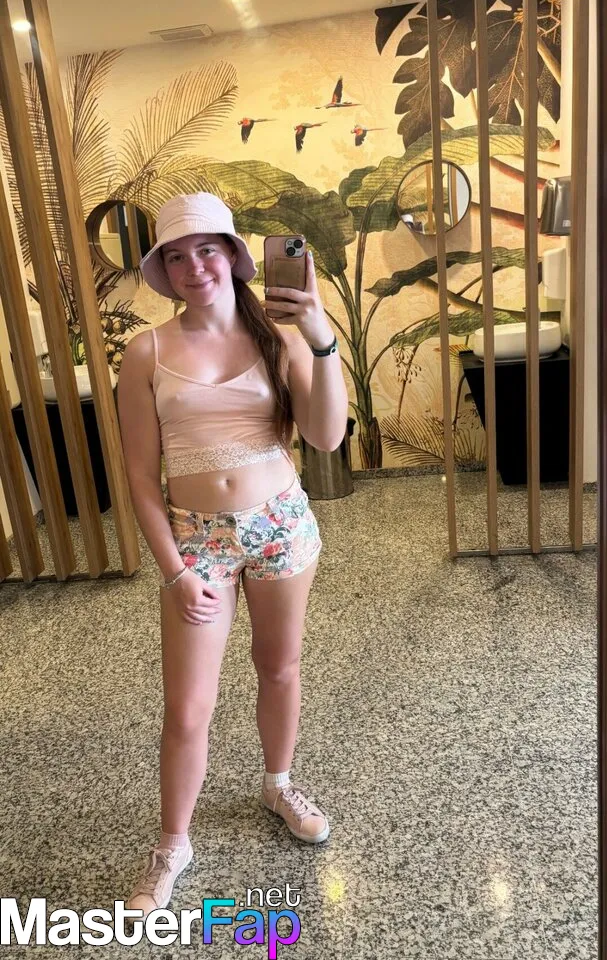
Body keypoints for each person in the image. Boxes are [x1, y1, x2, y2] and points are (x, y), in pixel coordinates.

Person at [116, 193, 349, 918]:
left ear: (234, 256)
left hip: (280, 523)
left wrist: (320, 339)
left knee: (279, 666)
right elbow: (139, 477)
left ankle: (278, 784)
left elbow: (326, 437)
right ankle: (172, 844)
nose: (194, 266)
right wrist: (175, 571)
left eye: (207, 249)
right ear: (163, 269)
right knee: (188, 707)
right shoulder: (146, 352)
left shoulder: (279, 338)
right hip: (196, 539)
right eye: (176, 256)